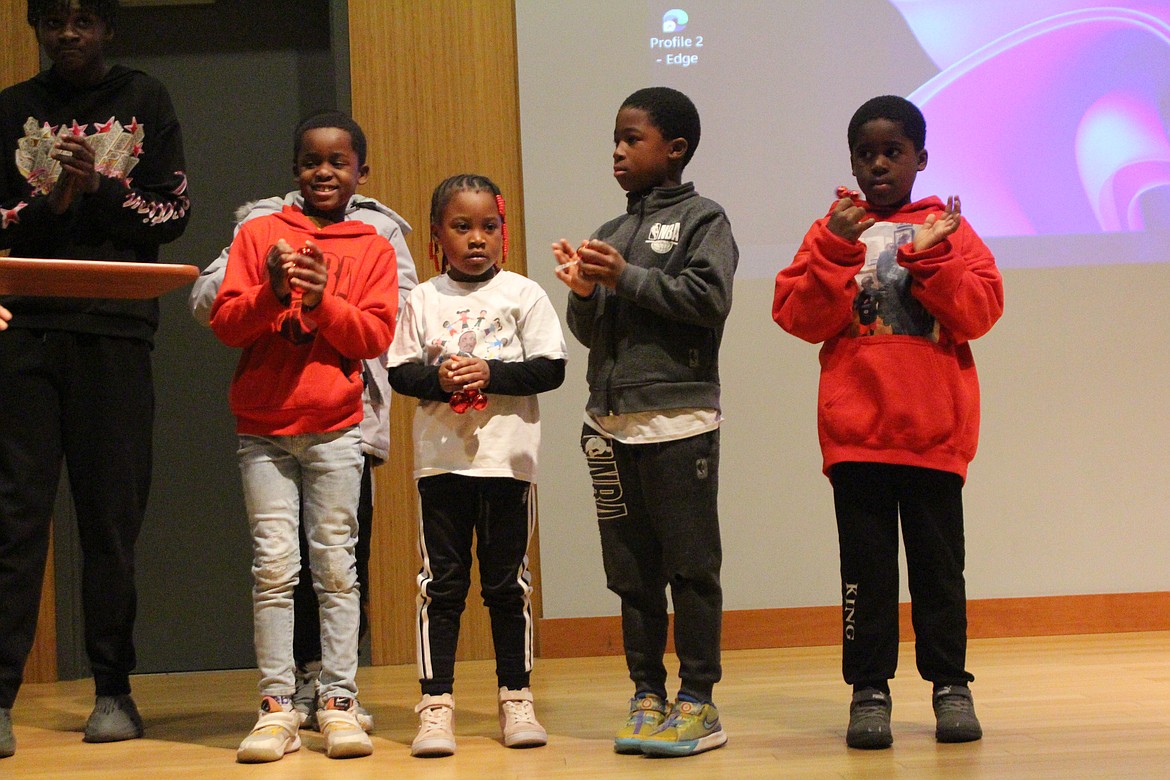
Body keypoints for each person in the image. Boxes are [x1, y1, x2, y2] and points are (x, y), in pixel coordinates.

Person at [772, 95, 1004, 749]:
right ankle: (868, 690)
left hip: (933, 437)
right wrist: (833, 246)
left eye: (893, 152)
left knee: (938, 571)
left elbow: (980, 312)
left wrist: (932, 256)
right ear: (851, 159)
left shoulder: (948, 227)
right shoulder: (834, 227)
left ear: (920, 159)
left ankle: (950, 686)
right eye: (866, 154)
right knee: (865, 574)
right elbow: (797, 316)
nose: (879, 165)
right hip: (857, 438)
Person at [0, 0, 190, 757]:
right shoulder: (13, 109)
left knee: (111, 520)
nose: (68, 34)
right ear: (35, 30)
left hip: (114, 332)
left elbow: (171, 213)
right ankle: (2, 697)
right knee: (16, 520)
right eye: (53, 21)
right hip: (27, 334)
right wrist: (56, 201)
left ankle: (114, 690)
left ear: (110, 27)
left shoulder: (145, 101)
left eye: (83, 20)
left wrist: (102, 189)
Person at [189, 178, 419, 734]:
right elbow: (220, 317)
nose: (324, 172)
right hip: (263, 427)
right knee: (273, 569)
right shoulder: (259, 231)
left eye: (338, 161)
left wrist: (321, 300)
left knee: (337, 567)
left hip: (340, 425)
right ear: (295, 170)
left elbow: (381, 331)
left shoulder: (374, 240)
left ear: (360, 171)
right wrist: (271, 289)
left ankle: (337, 697)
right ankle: (277, 703)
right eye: (311, 160)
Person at [552, 86, 737, 758]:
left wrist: (626, 276)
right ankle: (647, 694)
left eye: (632, 138)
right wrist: (582, 294)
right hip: (610, 425)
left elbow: (708, 297)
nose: (618, 150)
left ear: (676, 148)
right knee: (632, 575)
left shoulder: (702, 219)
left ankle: (698, 700)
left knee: (690, 568)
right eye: (616, 138)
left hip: (679, 421)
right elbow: (591, 330)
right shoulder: (609, 232)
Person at [387, 173, 566, 758]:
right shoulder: (424, 298)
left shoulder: (524, 293)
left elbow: (549, 368)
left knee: (506, 584)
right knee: (442, 586)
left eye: (488, 225)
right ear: (438, 233)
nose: (476, 238)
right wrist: (440, 378)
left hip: (507, 465)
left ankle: (516, 696)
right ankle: (435, 706)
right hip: (441, 467)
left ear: (502, 230)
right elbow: (399, 371)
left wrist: (489, 372)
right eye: (461, 227)